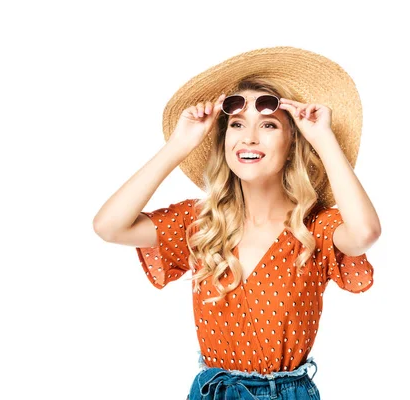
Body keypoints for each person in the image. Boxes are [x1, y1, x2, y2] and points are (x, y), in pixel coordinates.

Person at [93, 46, 381, 400]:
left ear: (293, 142)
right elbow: (109, 226)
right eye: (237, 124)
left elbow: (366, 233)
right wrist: (179, 144)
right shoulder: (201, 222)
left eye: (269, 125)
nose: (249, 138)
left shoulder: (316, 227)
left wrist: (323, 137)